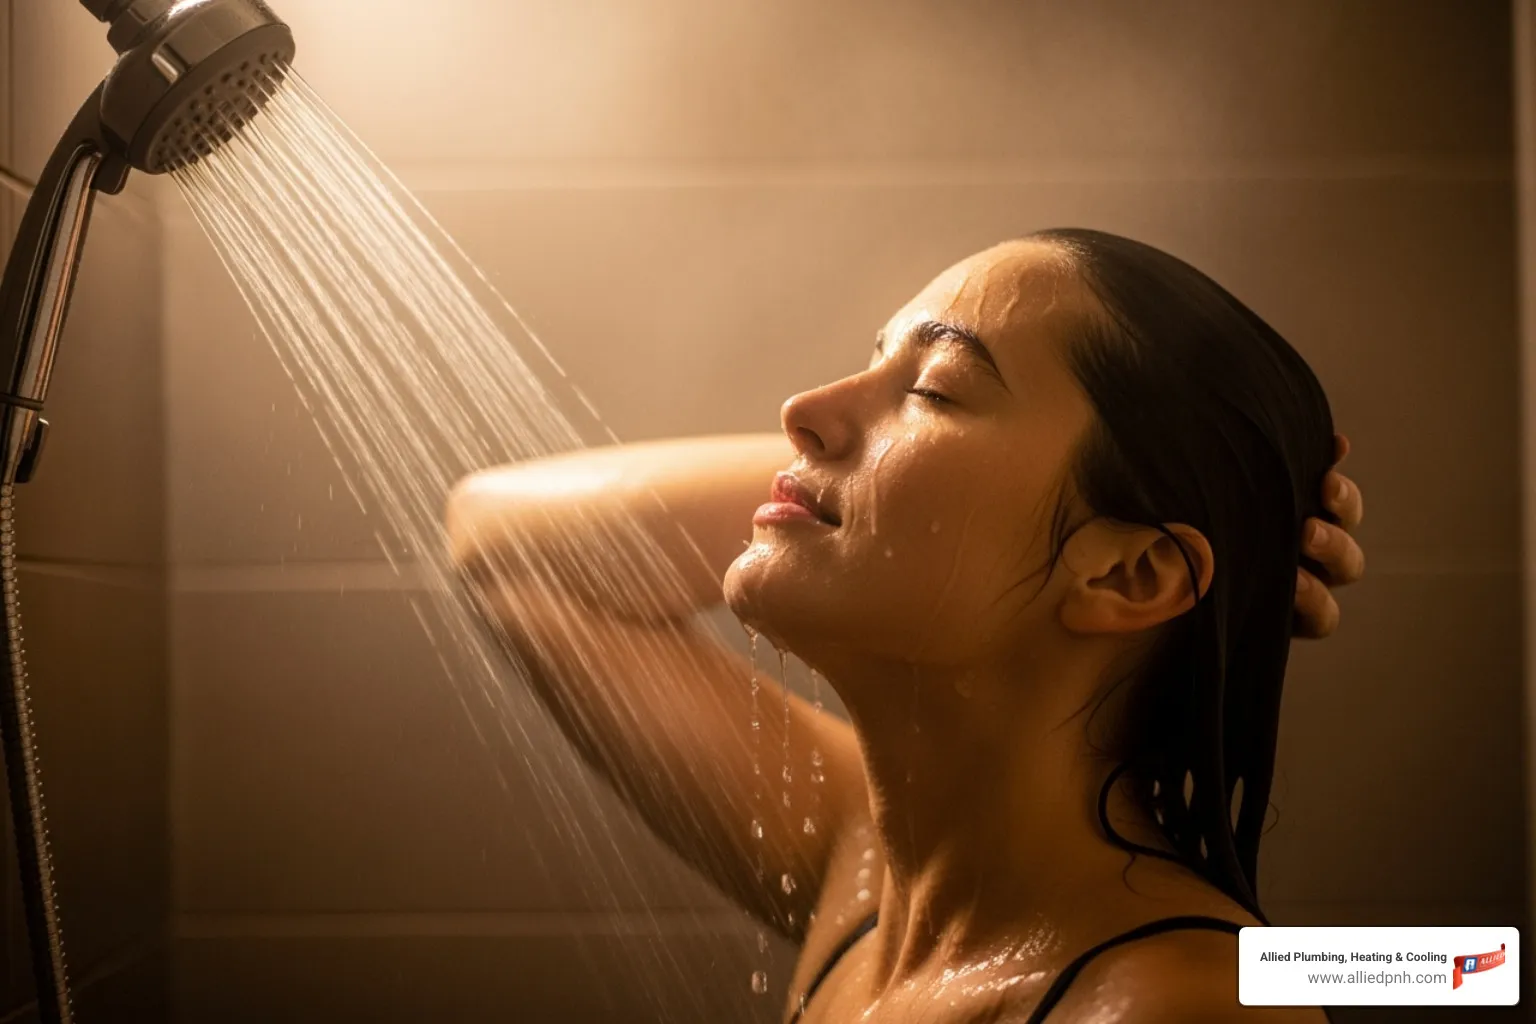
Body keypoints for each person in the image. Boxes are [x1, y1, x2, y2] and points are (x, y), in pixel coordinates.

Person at [445, 229, 1367, 1023]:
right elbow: (502, 544)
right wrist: (839, 489)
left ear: (1129, 573)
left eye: (933, 388)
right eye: (875, 362)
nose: (801, 413)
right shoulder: (881, 867)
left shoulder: (1179, 1005)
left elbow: (1477, 970)